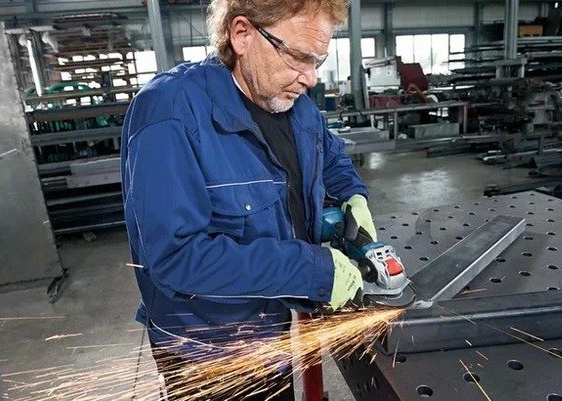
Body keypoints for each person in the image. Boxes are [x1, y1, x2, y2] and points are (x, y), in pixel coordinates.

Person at [120, 0, 378, 399]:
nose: (310, 78)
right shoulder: (168, 113)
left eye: (319, 61)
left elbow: (330, 156)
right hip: (206, 352)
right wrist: (312, 270)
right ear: (242, 35)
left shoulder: (294, 104)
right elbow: (175, 258)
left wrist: (353, 196)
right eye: (299, 57)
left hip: (270, 330)